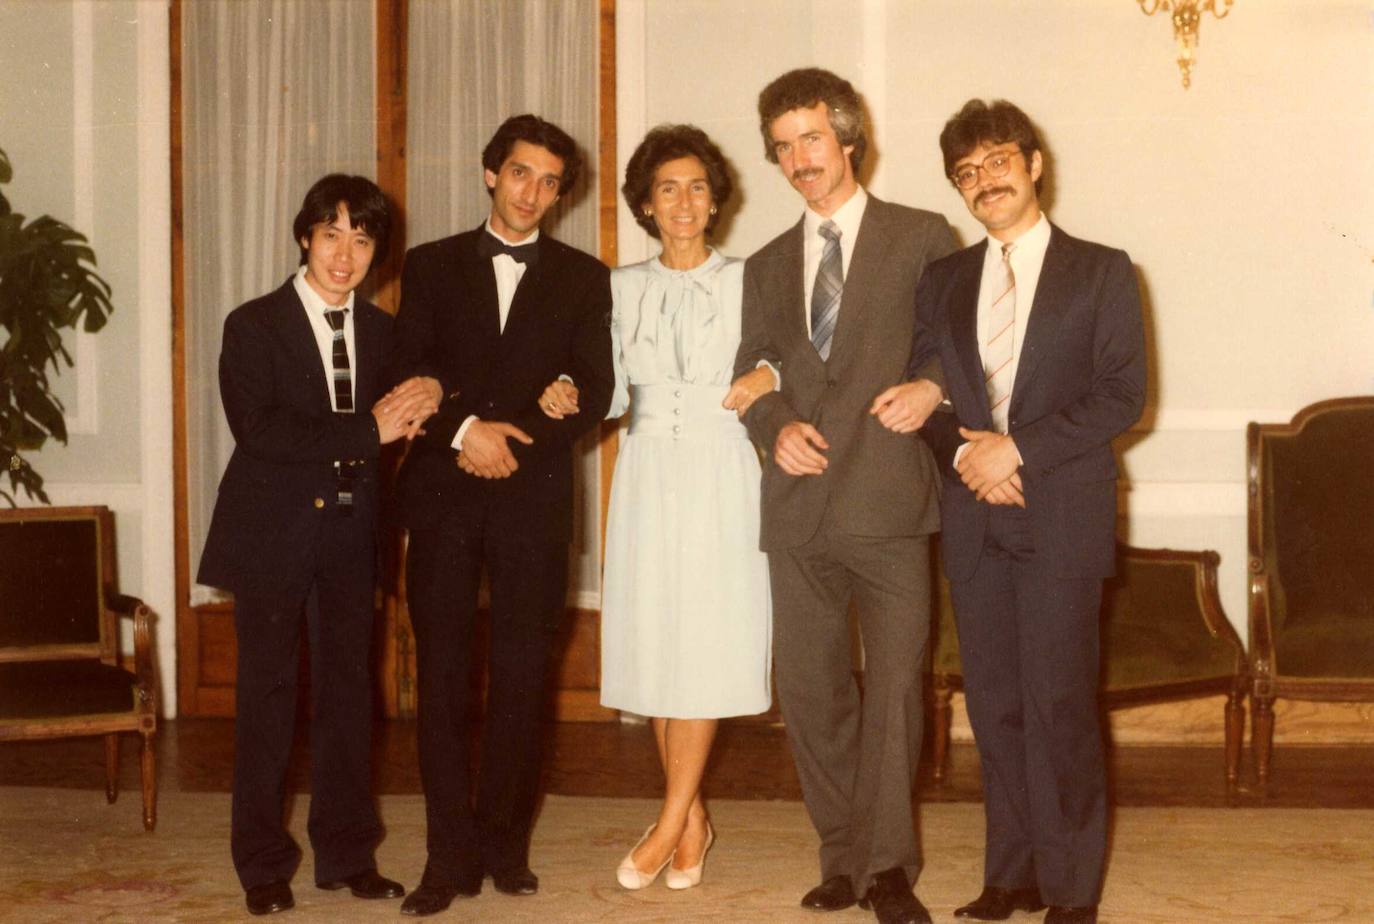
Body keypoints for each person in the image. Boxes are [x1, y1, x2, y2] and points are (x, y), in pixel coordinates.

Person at [888, 99, 1146, 924]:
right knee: (994, 705)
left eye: (997, 161)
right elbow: (923, 395)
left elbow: (1122, 395)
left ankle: (1071, 893)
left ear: (1034, 164)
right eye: (965, 173)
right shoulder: (945, 279)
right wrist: (966, 455)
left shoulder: (1104, 270)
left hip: (1060, 516)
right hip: (975, 518)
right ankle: (1013, 876)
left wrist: (1017, 448)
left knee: (1059, 703)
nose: (983, 181)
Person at [731, 68, 956, 924]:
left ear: (848, 138)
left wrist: (933, 388)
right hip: (797, 510)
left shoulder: (922, 235)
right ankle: (842, 858)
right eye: (782, 147)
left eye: (811, 139)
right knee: (812, 691)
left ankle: (890, 870)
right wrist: (773, 426)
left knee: (897, 687)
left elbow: (956, 348)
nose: (798, 160)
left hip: (891, 504)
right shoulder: (762, 265)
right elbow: (750, 374)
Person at [386, 114, 615, 917]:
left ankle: (506, 848)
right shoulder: (431, 264)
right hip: (445, 497)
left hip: (533, 497)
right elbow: (407, 368)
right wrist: (462, 431)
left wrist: (539, 424)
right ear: (491, 174)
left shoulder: (586, 277)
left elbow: (596, 385)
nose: (534, 193)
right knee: (443, 679)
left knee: (524, 679)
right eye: (521, 173)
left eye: (551, 181)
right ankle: (446, 857)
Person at [540, 124, 775, 893]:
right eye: (667, 187)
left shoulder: (754, 278)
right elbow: (603, 386)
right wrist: (566, 392)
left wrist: (768, 373)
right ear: (645, 202)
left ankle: (670, 821)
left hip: (724, 469)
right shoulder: (618, 286)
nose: (683, 201)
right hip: (646, 473)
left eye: (698, 186)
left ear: (717, 200)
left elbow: (800, 355)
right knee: (664, 643)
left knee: (706, 643)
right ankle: (694, 817)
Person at [198, 174, 437, 916]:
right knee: (268, 702)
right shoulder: (253, 325)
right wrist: (370, 430)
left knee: (348, 701)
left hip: (350, 535)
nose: (345, 254)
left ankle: (346, 855)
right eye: (331, 234)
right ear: (305, 236)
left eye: (361, 239)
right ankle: (263, 867)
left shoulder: (384, 332)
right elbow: (262, 431)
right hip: (271, 535)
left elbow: (420, 399)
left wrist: (428, 391)